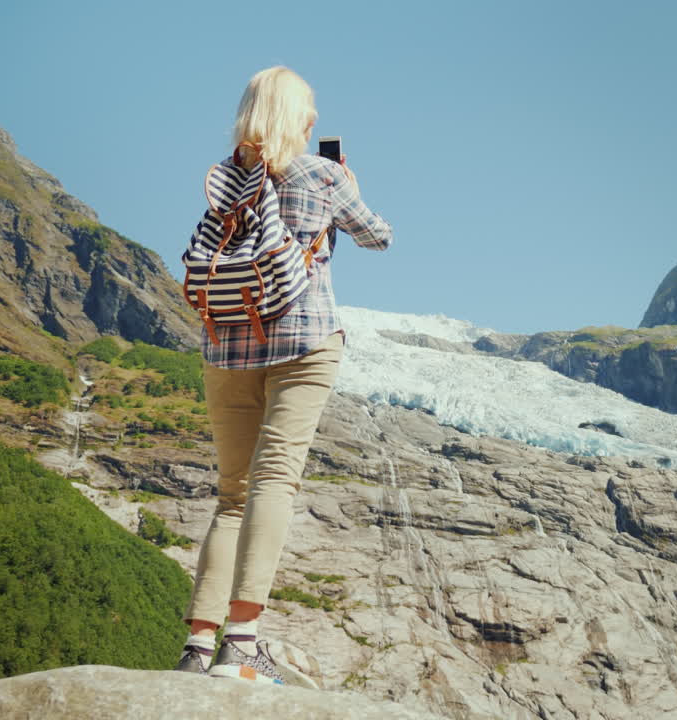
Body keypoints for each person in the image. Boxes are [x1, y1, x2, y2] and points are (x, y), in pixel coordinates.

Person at [174, 66, 392, 684]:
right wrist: (348, 184)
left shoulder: (225, 176)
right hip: (302, 339)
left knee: (232, 494)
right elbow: (378, 237)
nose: (316, 118)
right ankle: (242, 644)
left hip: (226, 345)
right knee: (275, 481)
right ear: (296, 114)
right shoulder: (321, 173)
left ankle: (198, 647)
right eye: (309, 109)